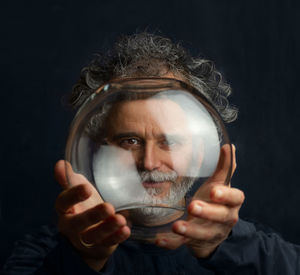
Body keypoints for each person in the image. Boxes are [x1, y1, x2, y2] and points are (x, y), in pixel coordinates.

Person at [2, 32, 300, 275]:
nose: (149, 162)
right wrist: (81, 259)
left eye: (169, 142)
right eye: (130, 141)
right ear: (98, 152)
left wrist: (224, 245)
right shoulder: (44, 253)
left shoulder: (252, 249)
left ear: (199, 155)